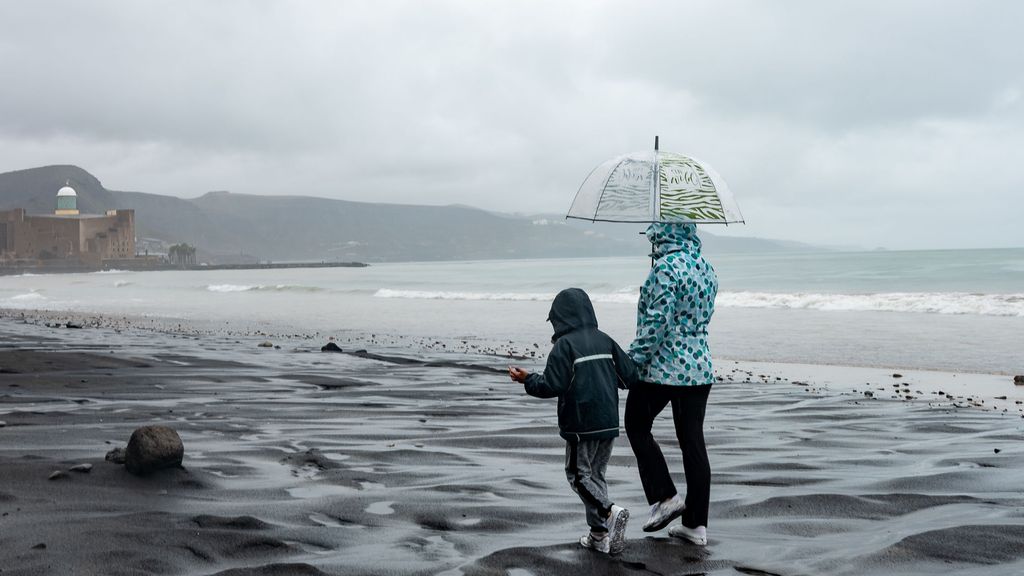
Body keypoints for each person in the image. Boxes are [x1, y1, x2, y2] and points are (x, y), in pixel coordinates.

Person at [509, 287, 638, 555]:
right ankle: (599, 535)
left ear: (561, 318)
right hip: (609, 421)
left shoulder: (564, 346)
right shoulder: (606, 340)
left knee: (578, 477)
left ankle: (610, 511)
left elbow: (551, 385)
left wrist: (527, 379)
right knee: (596, 476)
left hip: (581, 423)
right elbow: (629, 378)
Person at [625, 222, 717, 546]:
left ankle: (664, 497)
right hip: (700, 367)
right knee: (693, 442)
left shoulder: (665, 268)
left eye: (655, 234)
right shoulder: (706, 268)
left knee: (636, 424)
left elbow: (657, 322)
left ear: (663, 235)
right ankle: (696, 526)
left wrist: (631, 360)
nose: (652, 239)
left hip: (664, 367)